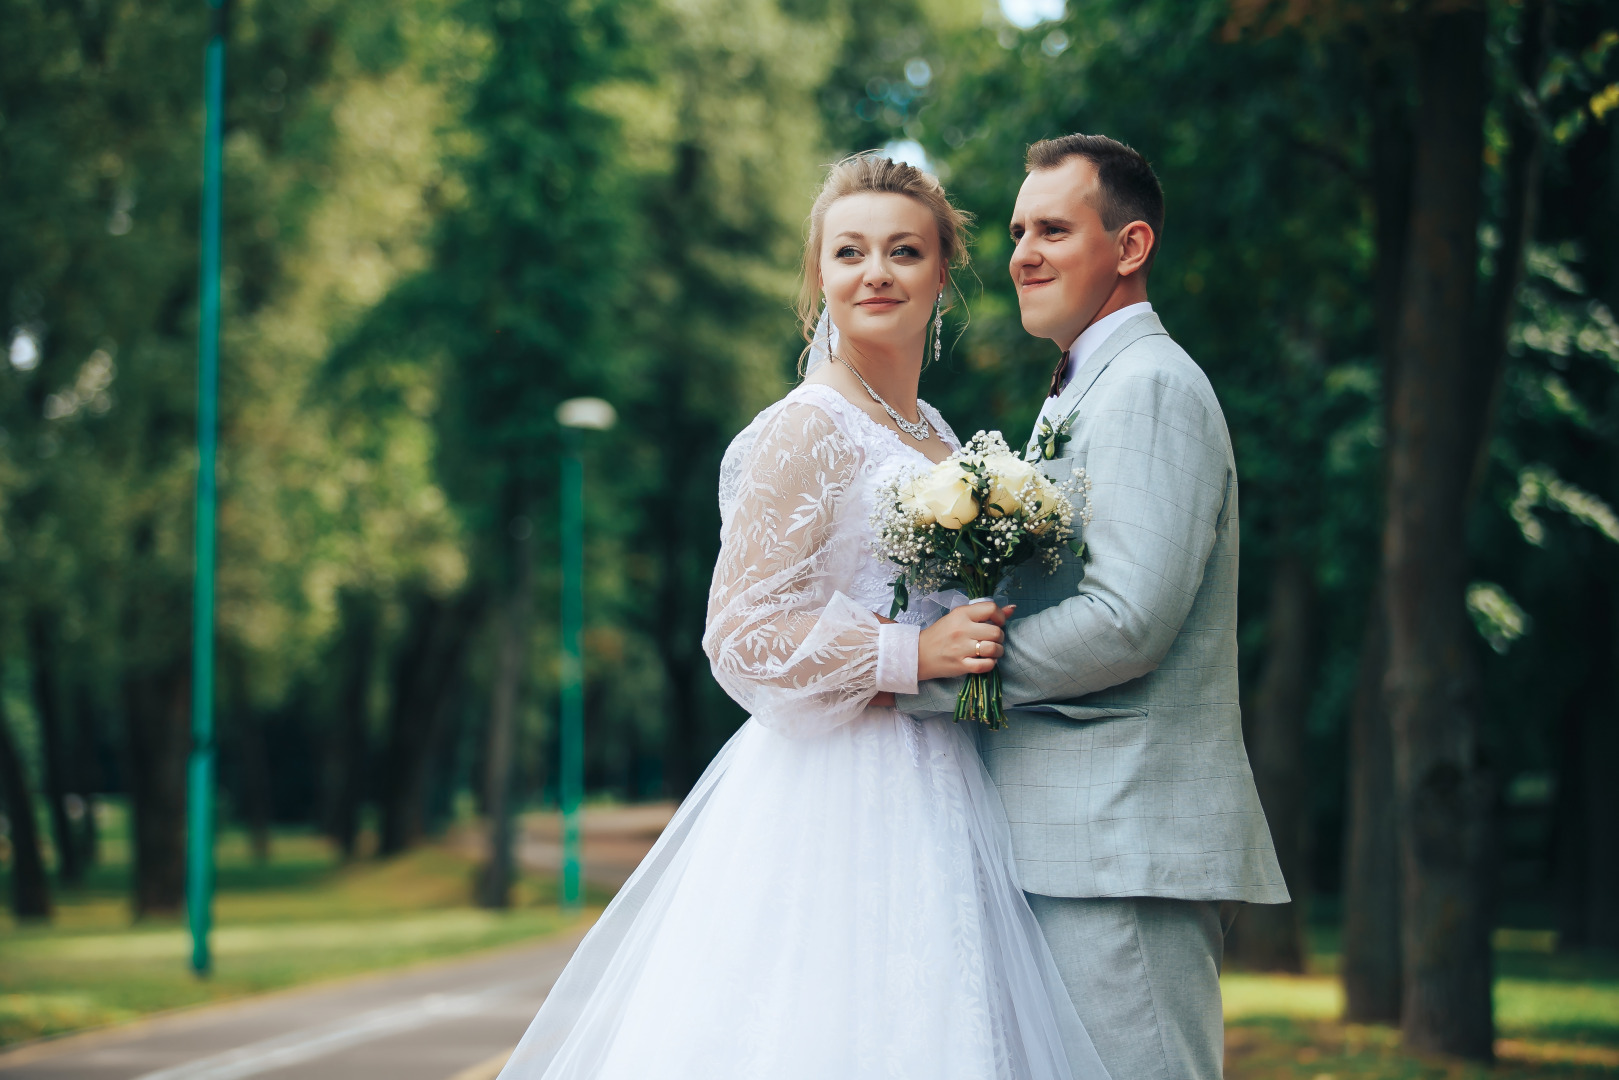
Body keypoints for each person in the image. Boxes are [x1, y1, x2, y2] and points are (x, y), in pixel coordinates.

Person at [494, 154, 1110, 1080]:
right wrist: (912, 651)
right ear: (818, 274)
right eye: (849, 251)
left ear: (943, 272)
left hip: (944, 780)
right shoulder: (807, 426)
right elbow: (739, 634)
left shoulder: (937, 434)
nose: (876, 272)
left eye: (903, 251)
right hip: (835, 793)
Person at [898, 133, 1289, 1080]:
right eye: (1019, 229)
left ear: (1130, 246)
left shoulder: (1151, 387)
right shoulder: (1083, 388)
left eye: (1053, 229)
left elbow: (1127, 620)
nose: (1021, 252)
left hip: (1120, 850)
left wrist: (938, 676)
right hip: (1069, 845)